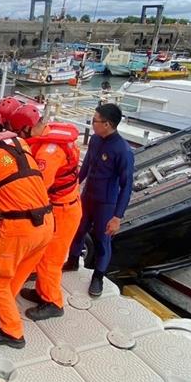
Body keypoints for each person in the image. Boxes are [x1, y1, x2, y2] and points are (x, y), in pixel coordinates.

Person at [0, 107, 54, 348]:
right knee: (18, 271)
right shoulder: (20, 144)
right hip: (46, 223)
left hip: (19, 227)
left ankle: (12, 332)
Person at [7, 103, 82, 319]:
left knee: (51, 259)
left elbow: (39, 187)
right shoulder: (49, 135)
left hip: (62, 211)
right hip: (64, 205)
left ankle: (53, 302)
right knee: (43, 256)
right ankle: (42, 292)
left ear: (27, 129)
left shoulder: (48, 153)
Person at [64, 103, 134, 297]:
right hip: (88, 197)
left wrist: (117, 216)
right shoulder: (95, 140)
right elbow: (85, 167)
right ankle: (72, 260)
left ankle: (98, 277)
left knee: (103, 241)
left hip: (107, 203)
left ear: (108, 124)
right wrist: (71, 187)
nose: (92, 123)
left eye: (95, 120)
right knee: (77, 231)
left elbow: (127, 185)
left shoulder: (123, 151)